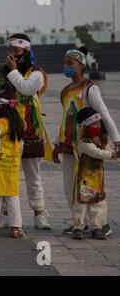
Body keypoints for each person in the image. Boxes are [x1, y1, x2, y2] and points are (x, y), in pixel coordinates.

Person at [52, 46, 120, 236]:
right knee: (70, 186)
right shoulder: (65, 92)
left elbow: (104, 114)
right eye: (64, 63)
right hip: (68, 144)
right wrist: (57, 144)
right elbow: (66, 118)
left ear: (82, 66)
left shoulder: (90, 88)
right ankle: (78, 223)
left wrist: (117, 140)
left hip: (90, 144)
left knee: (92, 184)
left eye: (70, 64)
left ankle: (98, 224)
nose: (66, 67)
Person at [0, 33, 52, 230]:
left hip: (31, 132)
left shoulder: (37, 73)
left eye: (16, 51)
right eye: (9, 51)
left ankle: (39, 213)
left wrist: (13, 71)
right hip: (8, 131)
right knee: (6, 173)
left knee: (33, 176)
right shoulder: (1, 73)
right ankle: (5, 213)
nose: (12, 55)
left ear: (26, 51)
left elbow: (26, 89)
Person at [71, 108, 119, 240]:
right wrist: (112, 154)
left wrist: (111, 149)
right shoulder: (83, 142)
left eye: (99, 123)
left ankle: (96, 226)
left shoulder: (100, 140)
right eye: (94, 124)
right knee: (81, 202)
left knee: (97, 201)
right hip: (84, 179)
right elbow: (96, 152)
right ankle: (78, 226)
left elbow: (105, 149)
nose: (98, 126)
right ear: (85, 126)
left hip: (97, 178)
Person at [0, 88, 25, 238]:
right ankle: (16, 227)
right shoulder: (18, 123)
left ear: (0, 107)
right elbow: (21, 144)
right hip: (13, 165)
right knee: (12, 196)